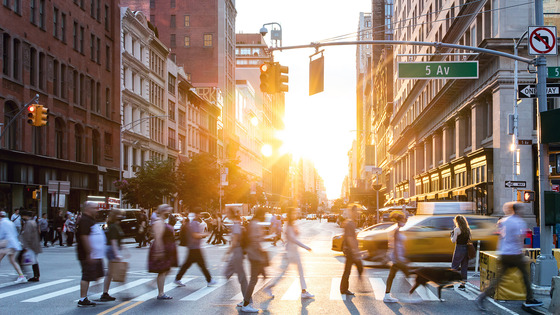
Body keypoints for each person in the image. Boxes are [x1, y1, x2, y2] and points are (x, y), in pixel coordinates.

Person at [476, 202, 543, 310]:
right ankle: (530, 298)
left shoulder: (504, 220)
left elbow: (497, 232)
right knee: (526, 275)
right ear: (517, 210)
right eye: (521, 209)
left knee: (499, 278)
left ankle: (482, 297)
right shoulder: (519, 222)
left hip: (503, 253)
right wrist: (522, 253)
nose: (523, 211)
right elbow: (519, 239)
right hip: (514, 254)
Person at [264, 208, 314, 299]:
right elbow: (293, 239)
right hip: (291, 252)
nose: (295, 215)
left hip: (293, 251)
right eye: (294, 213)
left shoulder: (292, 225)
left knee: (298, 271)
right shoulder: (289, 225)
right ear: (290, 214)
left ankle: (304, 291)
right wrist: (306, 247)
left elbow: (292, 237)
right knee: (286, 273)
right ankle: (269, 287)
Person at [76, 202, 108, 307]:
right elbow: (84, 237)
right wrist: (89, 253)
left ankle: (90, 293)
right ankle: (82, 299)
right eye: (94, 208)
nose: (97, 210)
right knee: (86, 275)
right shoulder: (84, 220)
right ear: (88, 209)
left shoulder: (90, 220)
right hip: (88, 254)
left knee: (97, 274)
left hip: (95, 254)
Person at [175, 208, 216, 286]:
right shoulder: (194, 223)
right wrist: (205, 234)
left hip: (193, 247)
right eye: (199, 214)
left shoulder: (193, 222)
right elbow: (195, 235)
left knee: (187, 264)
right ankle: (209, 280)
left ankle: (177, 278)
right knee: (202, 265)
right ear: (197, 214)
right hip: (195, 247)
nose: (200, 215)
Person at [241, 207, 268, 313]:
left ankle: (246, 302)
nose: (265, 216)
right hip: (255, 255)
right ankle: (246, 303)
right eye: (264, 214)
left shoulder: (253, 223)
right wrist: (260, 254)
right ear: (261, 214)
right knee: (253, 280)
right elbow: (254, 241)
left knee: (254, 279)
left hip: (253, 255)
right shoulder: (255, 224)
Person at [148, 204, 178, 300]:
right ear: (162, 211)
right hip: (162, 250)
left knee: (166, 270)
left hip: (166, 250)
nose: (169, 213)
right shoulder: (158, 222)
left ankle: (155, 285)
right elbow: (158, 238)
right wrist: (159, 251)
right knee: (162, 271)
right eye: (168, 211)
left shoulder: (162, 221)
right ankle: (160, 293)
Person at [383, 210, 411, 303]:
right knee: (406, 274)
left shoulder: (399, 229)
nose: (405, 220)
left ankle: (387, 295)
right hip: (397, 258)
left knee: (392, 276)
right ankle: (410, 295)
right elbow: (394, 245)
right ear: (400, 220)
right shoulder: (397, 230)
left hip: (399, 257)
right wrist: (398, 258)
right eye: (404, 219)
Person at [223, 209, 248, 308]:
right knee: (229, 273)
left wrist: (227, 253)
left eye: (227, 213)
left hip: (237, 252)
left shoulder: (236, 225)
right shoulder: (236, 224)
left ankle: (247, 301)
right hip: (236, 253)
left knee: (242, 278)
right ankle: (246, 300)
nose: (226, 214)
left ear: (230, 214)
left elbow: (234, 242)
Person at [340, 206, 364, 296]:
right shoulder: (350, 223)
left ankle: (345, 288)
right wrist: (355, 251)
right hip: (350, 251)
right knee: (349, 270)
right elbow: (350, 238)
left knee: (350, 269)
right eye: (357, 212)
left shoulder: (351, 223)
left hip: (350, 250)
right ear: (353, 212)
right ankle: (345, 289)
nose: (358, 213)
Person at [102, 209, 125, 302]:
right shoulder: (113, 227)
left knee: (111, 272)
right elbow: (113, 241)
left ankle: (105, 293)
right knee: (117, 271)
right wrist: (116, 254)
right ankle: (123, 293)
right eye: (120, 215)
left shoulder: (116, 225)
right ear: (116, 216)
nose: (122, 216)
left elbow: (118, 240)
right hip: (112, 250)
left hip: (112, 249)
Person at [0, 210, 27, 283]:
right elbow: (15, 233)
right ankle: (21, 276)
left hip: (6, 245)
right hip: (13, 244)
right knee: (13, 261)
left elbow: (1, 234)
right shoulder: (10, 222)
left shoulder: (2, 223)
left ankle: (22, 276)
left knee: (11, 260)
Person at [20, 211, 42, 282]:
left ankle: (23, 274)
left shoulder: (29, 223)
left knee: (19, 260)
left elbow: (27, 236)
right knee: (34, 260)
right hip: (34, 245)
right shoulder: (33, 222)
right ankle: (36, 275)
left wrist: (25, 246)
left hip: (30, 245)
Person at [451, 215, 471, 290]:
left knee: (454, 265)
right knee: (464, 266)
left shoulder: (457, 229)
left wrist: (451, 235)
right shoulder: (467, 229)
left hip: (459, 248)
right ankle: (463, 283)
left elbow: (453, 241)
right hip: (466, 248)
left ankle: (451, 283)